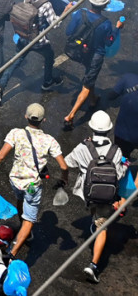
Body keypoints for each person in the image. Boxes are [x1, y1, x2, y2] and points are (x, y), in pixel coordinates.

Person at [0, 103, 69, 257]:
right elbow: (63, 166)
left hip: (16, 181)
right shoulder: (49, 140)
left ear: (26, 116)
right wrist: (64, 179)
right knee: (29, 220)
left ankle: (22, 225)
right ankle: (12, 252)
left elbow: (0, 156)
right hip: (32, 185)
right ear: (43, 120)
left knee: (20, 199)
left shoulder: (16, 133)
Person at [63, 110, 129, 283]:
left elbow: (68, 162)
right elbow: (119, 174)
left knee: (94, 207)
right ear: (109, 130)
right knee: (102, 228)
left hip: (87, 193)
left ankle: (94, 218)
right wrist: (125, 165)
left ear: (92, 128)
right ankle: (93, 266)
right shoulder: (116, 150)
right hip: (106, 196)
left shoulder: (83, 147)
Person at [0, 0, 63, 106]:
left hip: (23, 36)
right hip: (37, 40)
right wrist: (65, 11)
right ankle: (47, 82)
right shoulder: (46, 5)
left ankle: (0, 86)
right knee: (49, 56)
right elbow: (55, 24)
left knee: (15, 62)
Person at [63, 0, 123, 129]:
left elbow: (68, 32)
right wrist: (117, 28)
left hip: (80, 52)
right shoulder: (105, 23)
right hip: (94, 56)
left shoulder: (80, 14)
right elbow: (109, 42)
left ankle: (93, 99)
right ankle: (70, 115)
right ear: (105, 5)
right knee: (87, 84)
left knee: (90, 76)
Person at [109, 73, 138, 159]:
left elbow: (111, 96)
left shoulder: (128, 78)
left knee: (122, 157)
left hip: (123, 135)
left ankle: (124, 164)